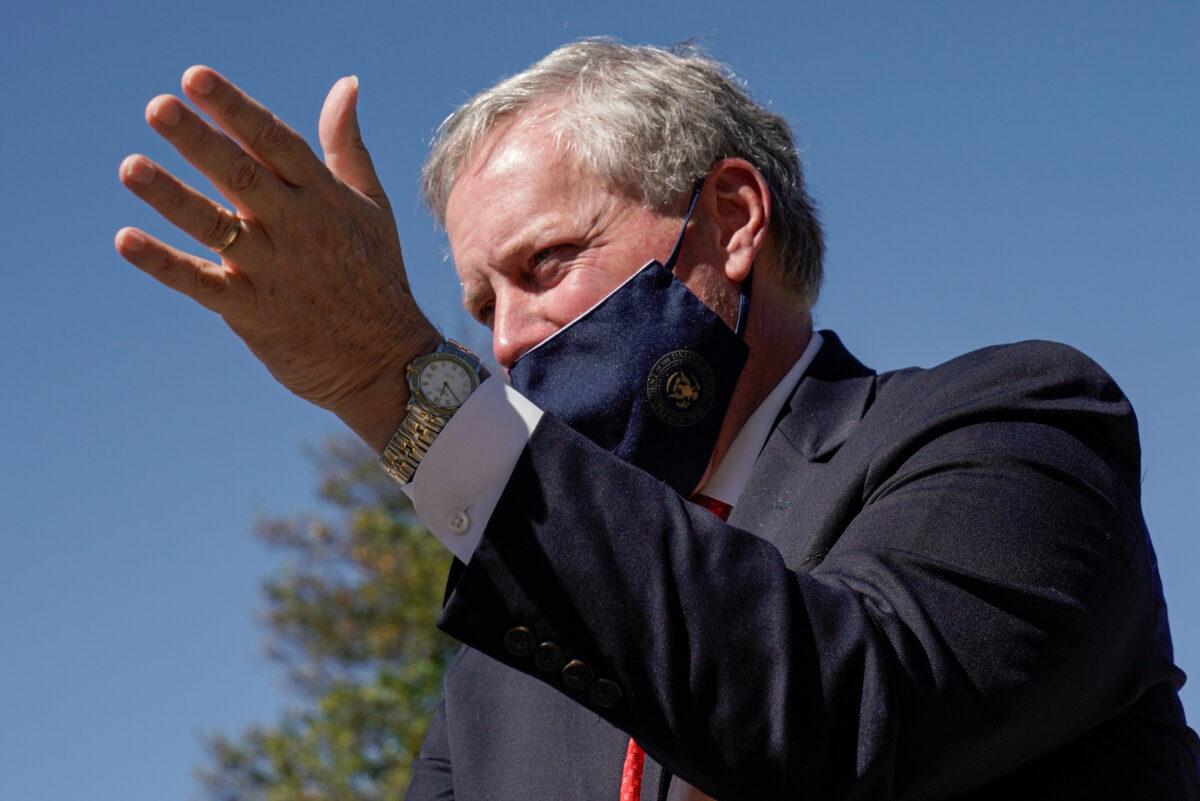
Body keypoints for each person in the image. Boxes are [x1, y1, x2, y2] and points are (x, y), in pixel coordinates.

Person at [116, 40, 1198, 800]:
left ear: (730, 220)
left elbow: (846, 718)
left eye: (545, 264)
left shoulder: (1014, 428)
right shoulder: (501, 679)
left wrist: (388, 379)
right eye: (481, 306)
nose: (502, 343)